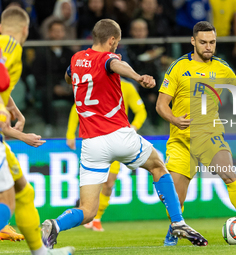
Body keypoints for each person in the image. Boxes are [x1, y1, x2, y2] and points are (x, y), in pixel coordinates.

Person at [41, 19, 208, 248]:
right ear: (111, 40)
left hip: (91, 144)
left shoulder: (77, 58)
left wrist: (76, 80)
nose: (117, 47)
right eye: (116, 43)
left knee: (88, 210)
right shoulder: (110, 58)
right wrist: (138, 77)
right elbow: (116, 65)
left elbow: (69, 76)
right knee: (158, 165)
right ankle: (177, 222)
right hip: (118, 134)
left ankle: (56, 225)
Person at [156, 21, 236, 246]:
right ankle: (174, 228)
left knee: (229, 174)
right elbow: (161, 105)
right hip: (181, 140)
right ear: (193, 41)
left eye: (212, 42)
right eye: (203, 42)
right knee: (176, 197)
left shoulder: (222, 68)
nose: (208, 47)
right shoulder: (177, 67)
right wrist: (174, 119)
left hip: (209, 135)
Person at [0, 6, 75, 255]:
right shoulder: (10, 48)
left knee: (23, 190)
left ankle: (41, 252)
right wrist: (21, 135)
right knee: (8, 198)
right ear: (26, 29)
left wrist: (15, 110)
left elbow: (3, 88)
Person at [66, 78, 147, 231]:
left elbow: (141, 111)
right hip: (95, 137)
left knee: (109, 183)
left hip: (117, 138)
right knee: (93, 181)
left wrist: (133, 128)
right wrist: (70, 133)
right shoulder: (96, 82)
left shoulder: (127, 87)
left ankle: (96, 218)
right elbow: (77, 106)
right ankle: (87, 214)